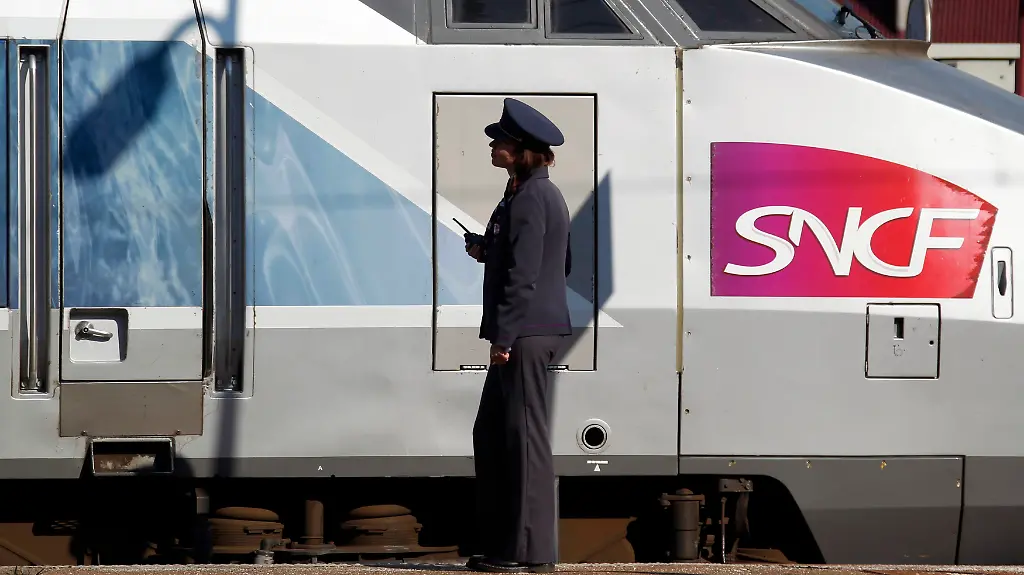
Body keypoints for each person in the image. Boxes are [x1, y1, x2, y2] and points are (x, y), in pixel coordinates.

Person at [463, 98, 573, 574]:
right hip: (522, 331)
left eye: (500, 140)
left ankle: (530, 555)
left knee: (524, 440)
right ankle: (504, 544)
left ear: (522, 149)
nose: (493, 144)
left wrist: (504, 338)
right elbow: (553, 262)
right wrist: (487, 249)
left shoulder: (532, 198)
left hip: (525, 334)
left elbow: (526, 276)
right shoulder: (521, 194)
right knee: (493, 434)